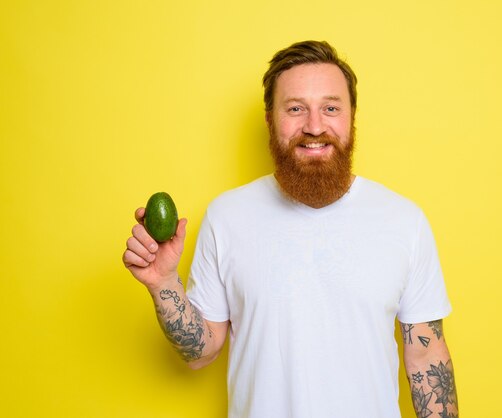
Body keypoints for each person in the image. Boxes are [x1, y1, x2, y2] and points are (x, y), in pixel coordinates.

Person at [123, 40, 459, 418]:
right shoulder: (226, 216)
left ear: (352, 117)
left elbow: (427, 357)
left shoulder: (403, 221)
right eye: (296, 109)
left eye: (331, 108)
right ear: (270, 119)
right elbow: (201, 353)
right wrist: (163, 282)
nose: (314, 127)